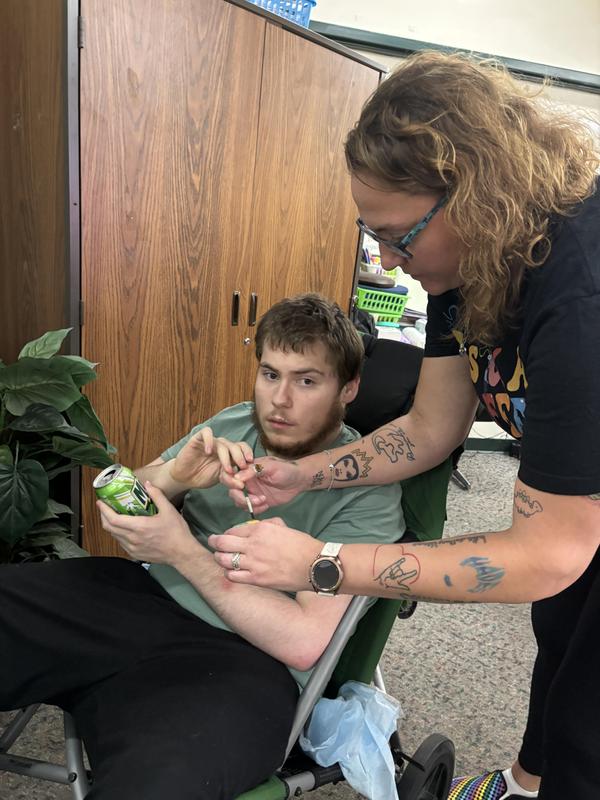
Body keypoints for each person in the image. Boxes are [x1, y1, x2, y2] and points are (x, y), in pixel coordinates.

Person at [212, 52, 600, 800]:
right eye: (372, 237)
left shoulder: (580, 298)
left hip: (574, 518)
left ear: (478, 193)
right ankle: (524, 786)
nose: (388, 262)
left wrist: (319, 561)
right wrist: (303, 470)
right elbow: (429, 428)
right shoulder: (469, 266)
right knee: (561, 645)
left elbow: (546, 552)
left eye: (400, 236)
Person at [0, 294, 406, 800]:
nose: (279, 400)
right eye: (270, 374)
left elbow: (304, 641)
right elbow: (135, 490)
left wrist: (183, 552)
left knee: (162, 785)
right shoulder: (236, 423)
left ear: (348, 388)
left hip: (240, 663)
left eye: (306, 380)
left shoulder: (370, 493)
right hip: (136, 598)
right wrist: (172, 477)